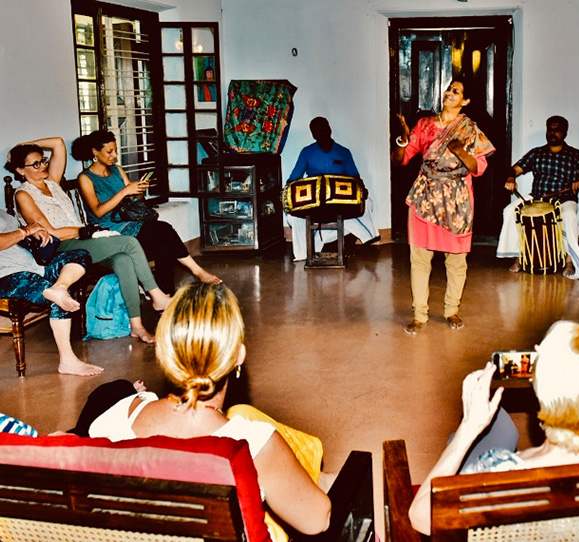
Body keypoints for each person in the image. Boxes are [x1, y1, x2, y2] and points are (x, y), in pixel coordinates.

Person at [88, 283, 331, 539]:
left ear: (164, 352)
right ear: (238, 355)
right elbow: (316, 521)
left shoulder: (111, 420)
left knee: (242, 412)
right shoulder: (251, 445)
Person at [407, 321, 579, 535]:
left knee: (488, 429)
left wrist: (468, 428)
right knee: (502, 426)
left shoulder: (499, 470)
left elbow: (421, 516)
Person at [7, 137, 171, 343]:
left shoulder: (53, 182)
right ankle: (156, 295)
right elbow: (50, 232)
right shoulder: (24, 194)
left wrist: (21, 146)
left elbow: (58, 143)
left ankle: (136, 326)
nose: (43, 166)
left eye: (43, 161)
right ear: (20, 170)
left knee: (123, 259)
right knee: (128, 242)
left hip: (83, 239)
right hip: (62, 248)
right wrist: (84, 231)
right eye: (35, 164)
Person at [392, 79, 495, 335]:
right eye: (449, 89)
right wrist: (404, 139)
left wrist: (461, 151)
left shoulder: (469, 129)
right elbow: (401, 160)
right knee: (419, 259)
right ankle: (419, 315)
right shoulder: (425, 125)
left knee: (457, 261)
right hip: (425, 196)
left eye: (456, 91)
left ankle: (451, 310)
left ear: (466, 101)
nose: (450, 93)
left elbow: (478, 169)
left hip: (457, 199)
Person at [72, 130, 220, 294]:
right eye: (109, 152)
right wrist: (125, 191)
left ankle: (166, 294)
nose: (114, 155)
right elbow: (98, 212)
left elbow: (132, 199)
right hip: (109, 229)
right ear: (95, 152)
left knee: (163, 242)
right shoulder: (85, 178)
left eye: (115, 150)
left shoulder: (117, 170)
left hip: (131, 222)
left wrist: (139, 189)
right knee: (163, 230)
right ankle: (193, 274)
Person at [496, 115, 579, 279]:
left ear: (565, 133)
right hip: (537, 197)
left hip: (565, 199)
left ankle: (569, 261)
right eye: (550, 129)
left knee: (570, 216)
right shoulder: (536, 153)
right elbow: (514, 169)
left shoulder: (575, 155)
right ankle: (519, 257)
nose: (552, 133)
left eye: (557, 130)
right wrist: (510, 178)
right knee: (510, 211)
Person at [0, 212, 97, 375]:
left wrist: (36, 234)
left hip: (34, 267)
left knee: (79, 255)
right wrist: (25, 231)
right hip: (6, 277)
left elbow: (17, 239)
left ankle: (60, 287)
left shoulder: (4, 214)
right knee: (49, 292)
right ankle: (68, 361)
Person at [285, 117, 378, 261]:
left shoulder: (344, 152)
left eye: (324, 128)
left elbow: (355, 177)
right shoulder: (307, 152)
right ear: (313, 135)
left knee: (368, 202)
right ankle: (305, 253)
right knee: (291, 214)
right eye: (317, 131)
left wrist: (362, 189)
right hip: (316, 203)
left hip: (340, 202)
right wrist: (287, 194)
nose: (321, 133)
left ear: (330, 129)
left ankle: (362, 238)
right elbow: (293, 179)